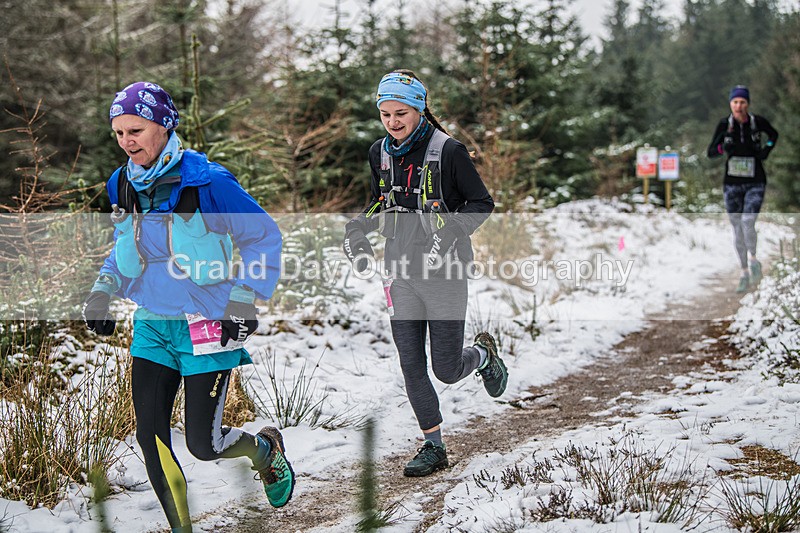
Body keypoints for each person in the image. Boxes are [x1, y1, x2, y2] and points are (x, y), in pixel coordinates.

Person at [81, 81, 293, 532]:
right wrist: (103, 288)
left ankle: (264, 451)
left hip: (206, 324)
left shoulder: (208, 182)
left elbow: (262, 237)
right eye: (118, 133)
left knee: (204, 443)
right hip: (154, 326)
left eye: (135, 130)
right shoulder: (122, 183)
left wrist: (243, 299)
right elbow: (124, 245)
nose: (126, 141)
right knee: (150, 435)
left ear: (164, 125)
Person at [343, 70, 508, 477]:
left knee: (446, 369)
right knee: (411, 363)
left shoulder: (448, 151)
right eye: (385, 114)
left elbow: (482, 203)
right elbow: (382, 202)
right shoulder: (378, 153)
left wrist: (452, 230)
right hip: (399, 271)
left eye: (401, 113)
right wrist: (357, 229)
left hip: (445, 271)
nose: (393, 122)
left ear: (419, 109)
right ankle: (433, 445)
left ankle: (484, 355)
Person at [707, 85, 778, 293]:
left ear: (748, 104)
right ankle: (745, 272)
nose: (739, 106)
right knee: (737, 228)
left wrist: (767, 149)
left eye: (742, 102)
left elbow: (774, 134)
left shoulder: (757, 123)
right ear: (730, 104)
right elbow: (711, 152)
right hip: (732, 184)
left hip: (756, 181)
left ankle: (754, 258)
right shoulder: (724, 125)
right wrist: (722, 148)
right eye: (735, 102)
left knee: (748, 221)